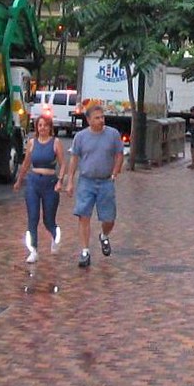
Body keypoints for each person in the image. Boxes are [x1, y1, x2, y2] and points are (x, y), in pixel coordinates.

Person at [66, 104, 124, 268]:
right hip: (86, 181)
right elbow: (74, 159)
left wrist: (115, 172)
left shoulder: (112, 134)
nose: (101, 120)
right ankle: (85, 251)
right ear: (88, 120)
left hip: (106, 181)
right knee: (83, 215)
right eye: (97, 118)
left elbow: (119, 154)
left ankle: (104, 235)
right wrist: (70, 180)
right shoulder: (81, 137)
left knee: (109, 218)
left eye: (102, 117)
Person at [14, 114, 64, 264]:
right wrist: (19, 180)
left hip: (50, 183)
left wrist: (60, 181)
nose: (43, 128)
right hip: (33, 182)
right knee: (33, 217)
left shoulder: (56, 143)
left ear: (50, 128)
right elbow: (26, 164)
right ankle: (33, 250)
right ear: (36, 127)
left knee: (48, 219)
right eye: (40, 125)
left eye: (46, 125)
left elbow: (63, 164)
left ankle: (55, 236)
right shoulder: (31, 143)